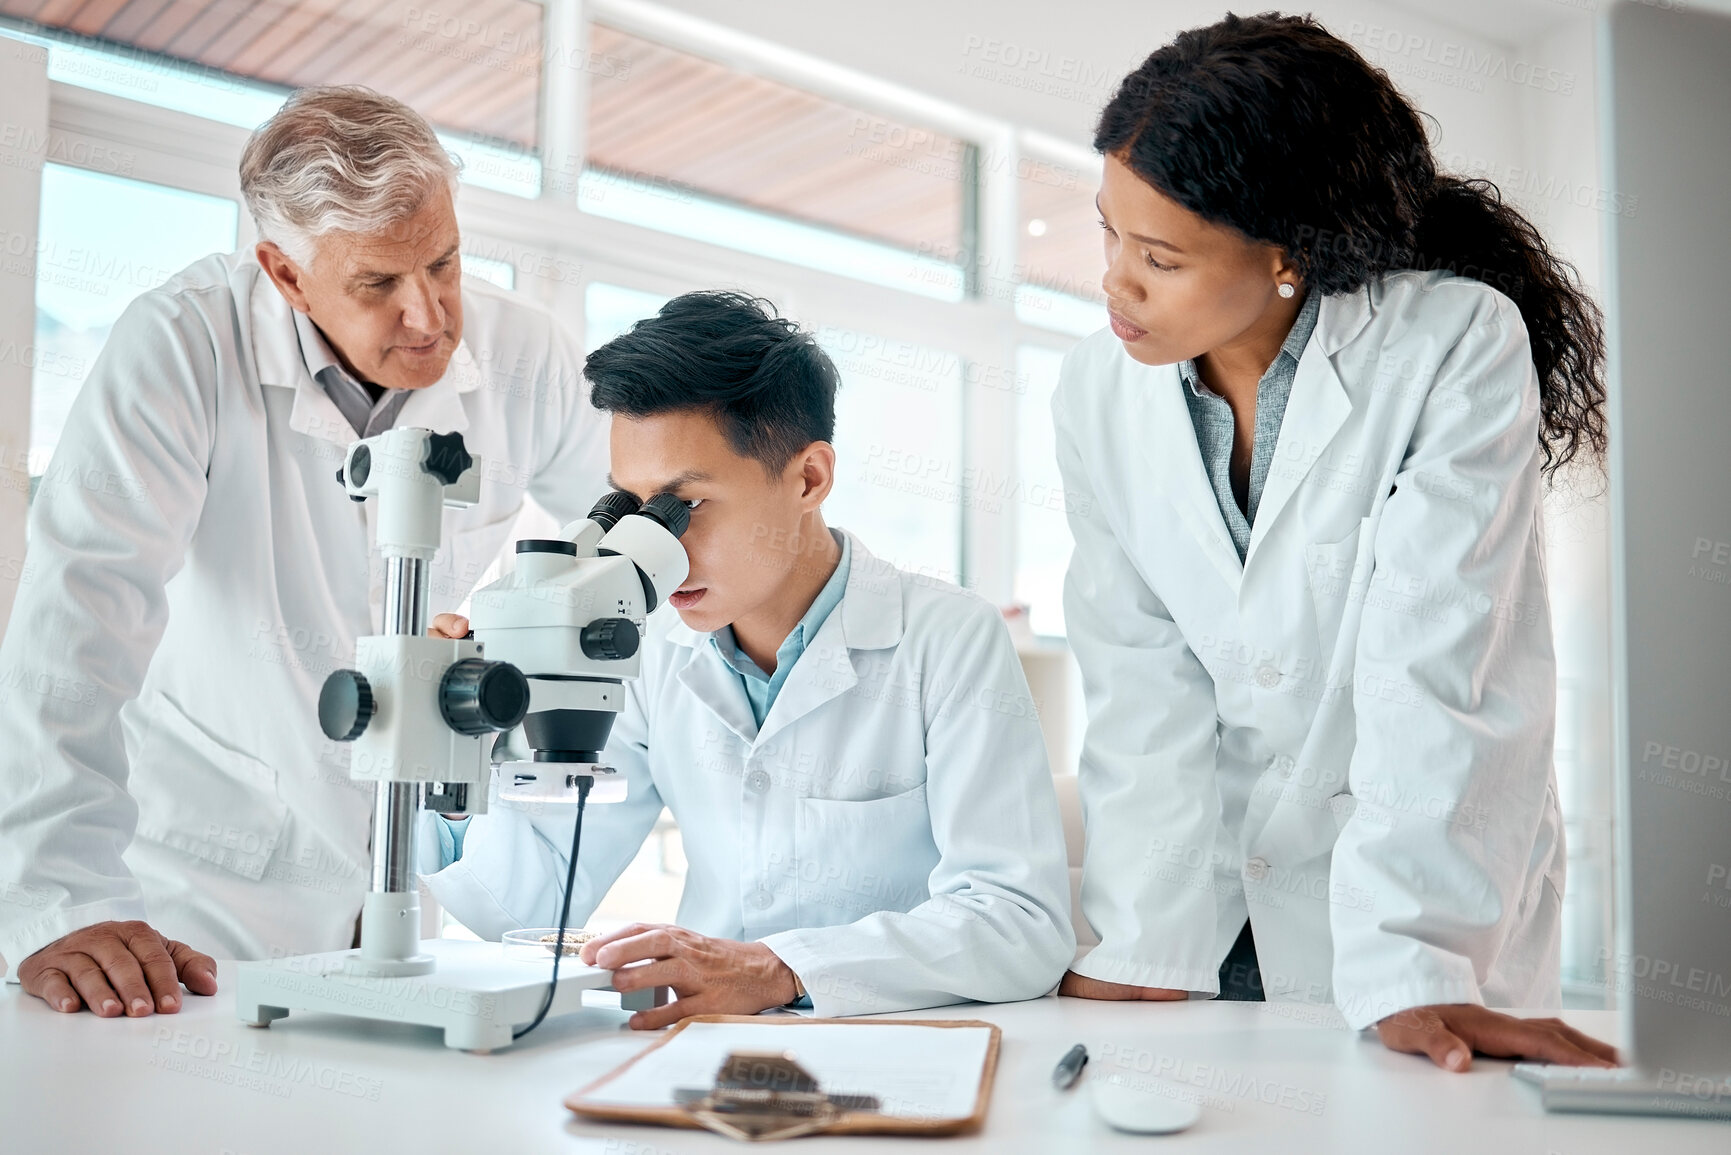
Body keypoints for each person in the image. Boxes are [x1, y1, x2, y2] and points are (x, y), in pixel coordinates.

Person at [1053, 13, 1618, 1072]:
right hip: (1215, 912)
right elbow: (1140, 683)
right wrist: (1142, 939)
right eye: (1110, 235)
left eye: (1161, 257)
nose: (1115, 285)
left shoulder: (1451, 343)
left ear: (1289, 255)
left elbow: (1435, 663)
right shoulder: (1095, 390)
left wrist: (1416, 962)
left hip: (1415, 900)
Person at [0, 86, 607, 1017]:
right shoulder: (181, 346)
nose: (429, 317)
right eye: (378, 285)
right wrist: (58, 900)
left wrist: (525, 629)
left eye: (443, 262)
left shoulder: (528, 357)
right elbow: (77, 624)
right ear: (284, 273)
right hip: (199, 897)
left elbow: (628, 539)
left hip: (399, 881)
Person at [422, 291, 1075, 1028]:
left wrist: (779, 966)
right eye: (631, 510)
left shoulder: (946, 638)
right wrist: (450, 751)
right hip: (705, 1047)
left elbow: (1020, 923)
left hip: (894, 1041)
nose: (654, 547)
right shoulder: (650, 647)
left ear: (808, 478)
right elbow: (526, 896)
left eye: (683, 508)